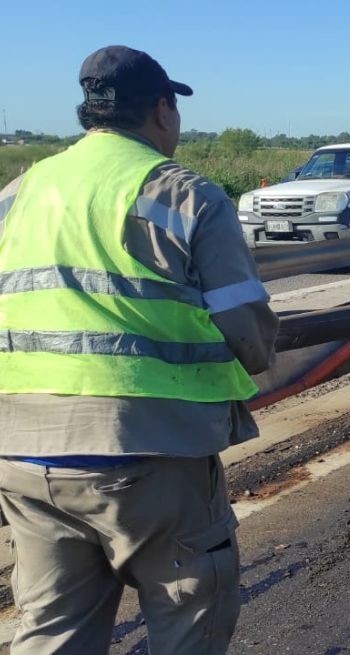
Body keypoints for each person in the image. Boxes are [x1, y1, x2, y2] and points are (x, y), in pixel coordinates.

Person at [0, 46, 278, 654]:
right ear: (161, 110)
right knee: (191, 617)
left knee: (51, 632)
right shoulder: (184, 194)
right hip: (148, 450)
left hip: (22, 450)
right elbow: (249, 334)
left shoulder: (21, 189)